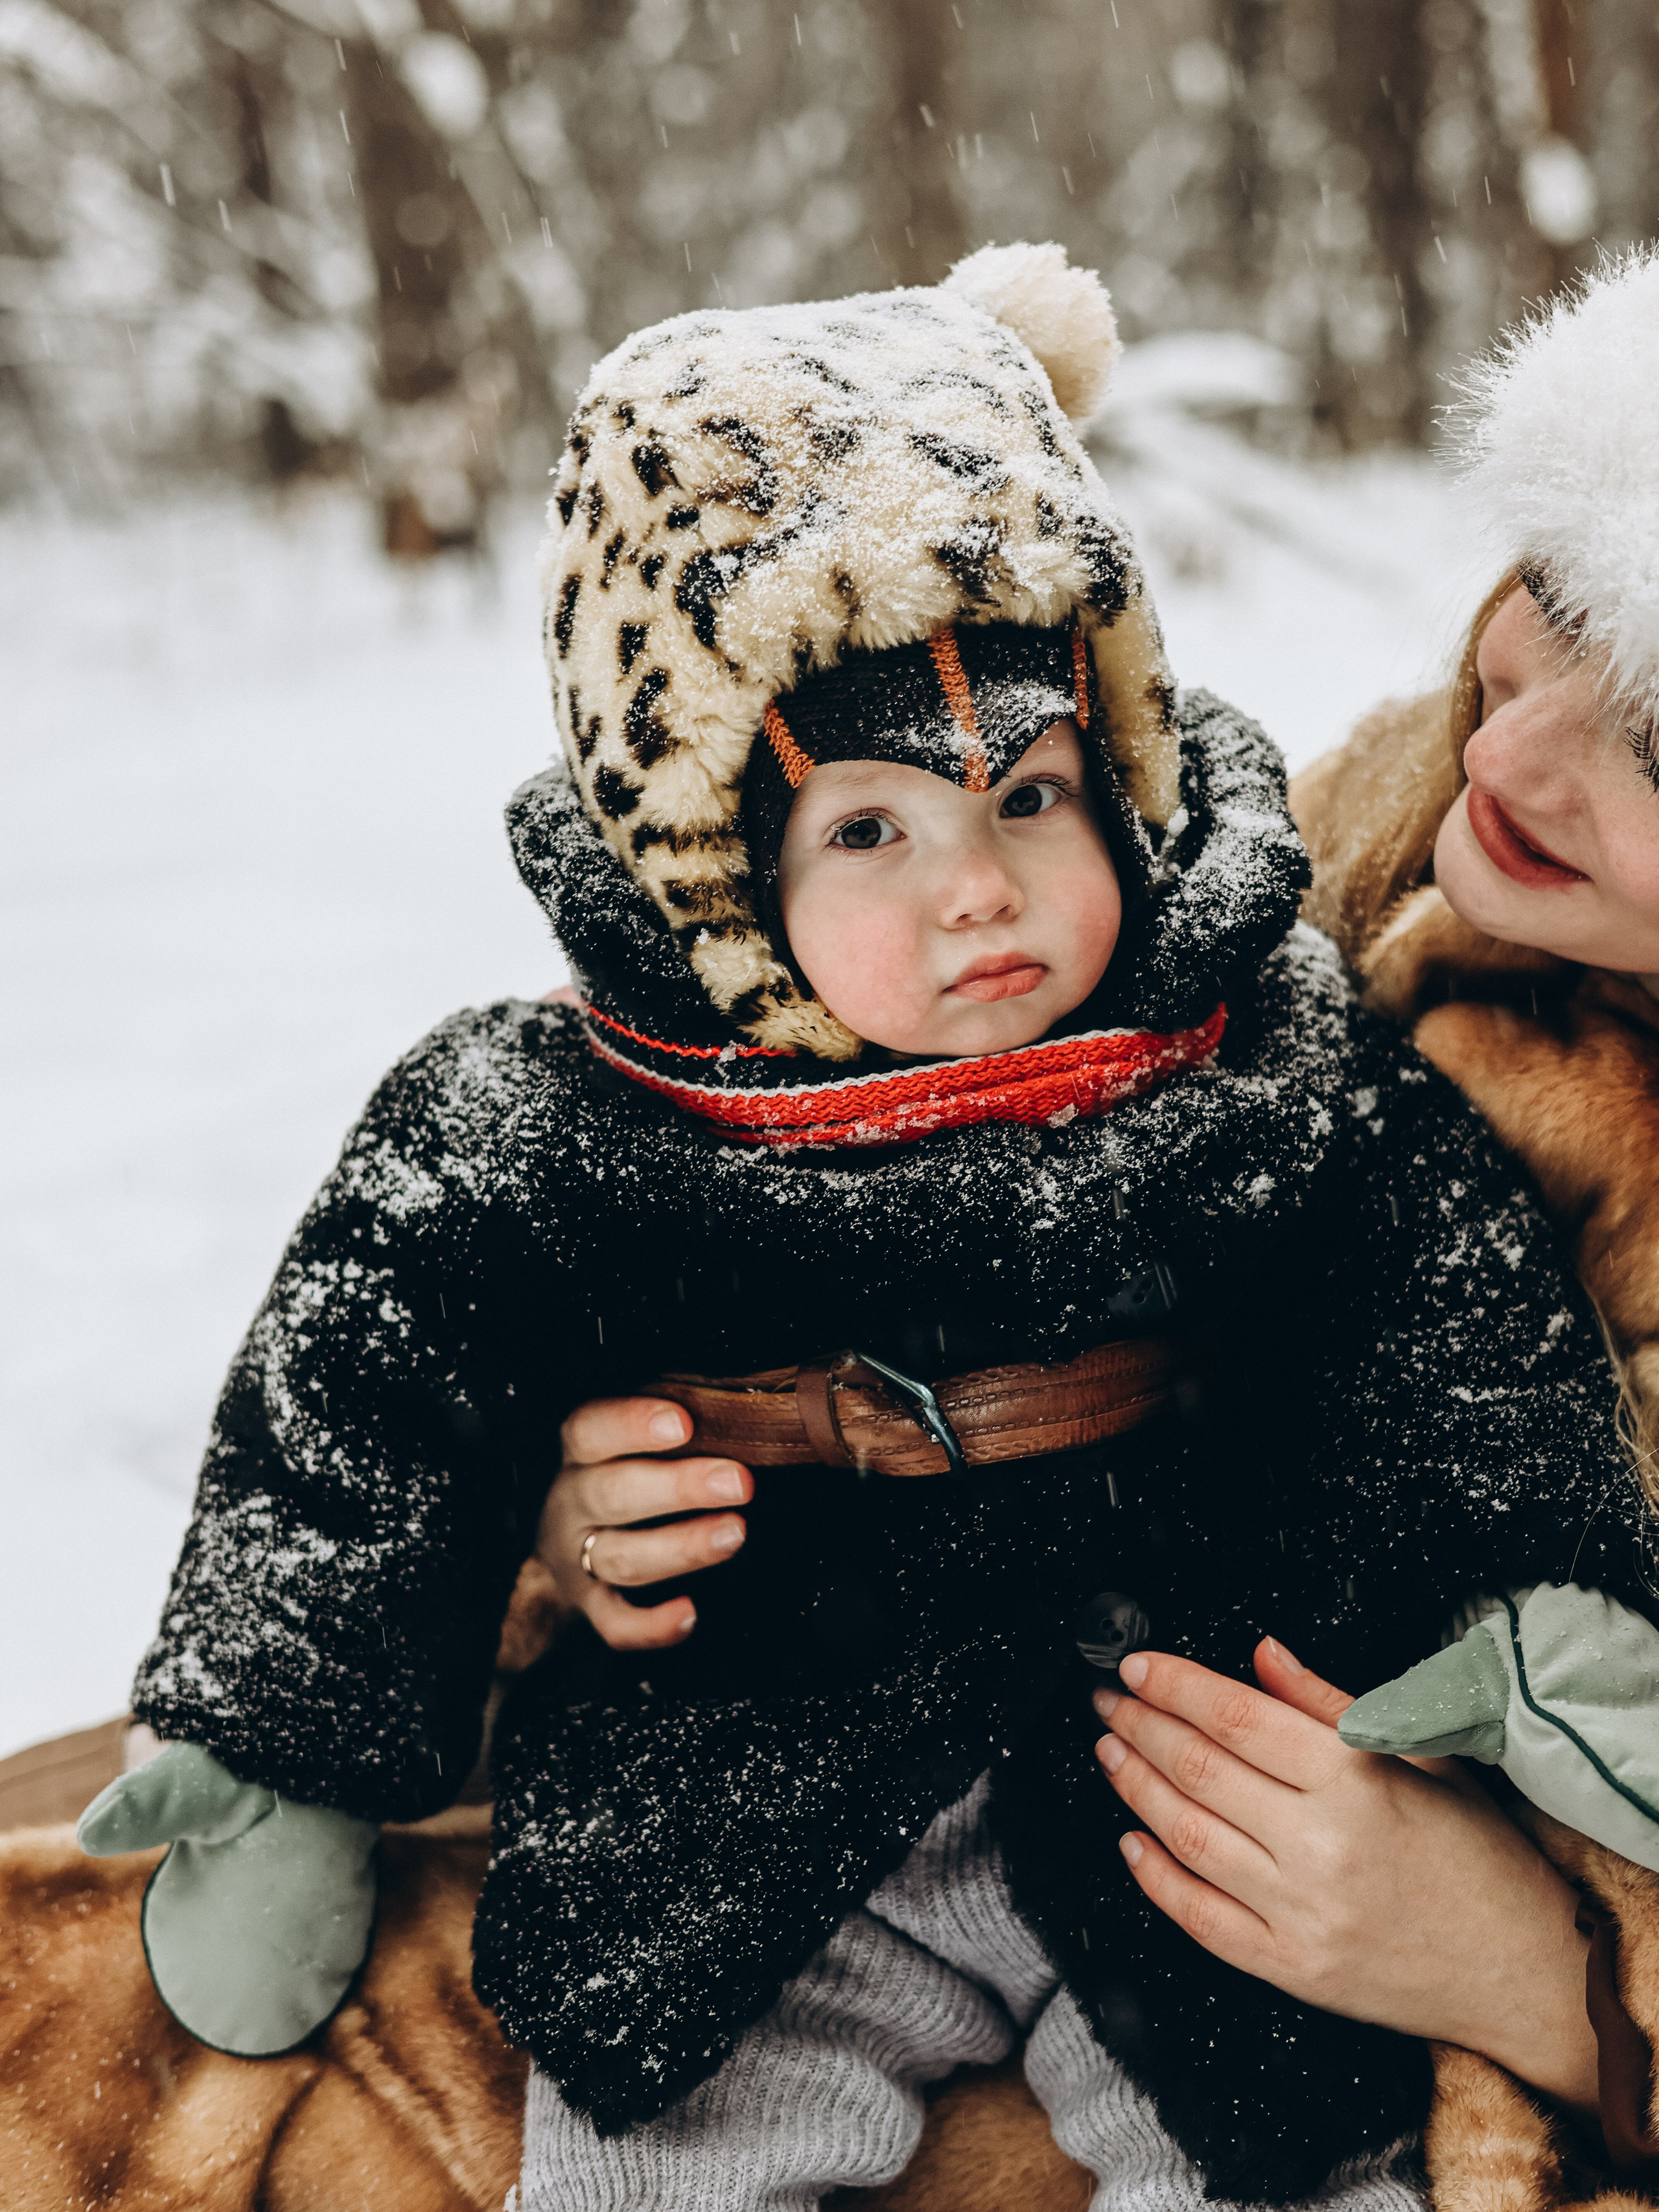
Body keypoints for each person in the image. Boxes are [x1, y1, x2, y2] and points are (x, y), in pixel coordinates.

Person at [78, 244, 1644, 2212]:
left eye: (1030, 801)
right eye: (871, 828)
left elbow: (1440, 1330)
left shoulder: (1253, 1048)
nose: (979, 890)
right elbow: (372, 1372)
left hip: (1176, 1796)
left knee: (1277, 2155)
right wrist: (410, 1637)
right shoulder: (600, 1102)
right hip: (747, 1804)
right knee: (649, 2156)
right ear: (716, 875)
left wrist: (1536, 1709)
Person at [1065, 250, 1659, 2212]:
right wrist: (673, 1443)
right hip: (1051, 1886)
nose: (1508, 749)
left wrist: (1525, 1978)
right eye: (1560, 600)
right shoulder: (1358, 831)